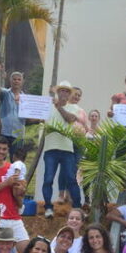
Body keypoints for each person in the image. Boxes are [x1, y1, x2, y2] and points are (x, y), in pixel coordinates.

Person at [41, 80, 85, 211]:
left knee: (71, 179)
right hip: (50, 148)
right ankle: (48, 207)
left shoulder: (74, 108)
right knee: (48, 179)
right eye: (62, 90)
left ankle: (77, 207)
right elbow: (35, 117)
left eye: (67, 91)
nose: (64, 93)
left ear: (70, 94)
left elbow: (70, 119)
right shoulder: (47, 106)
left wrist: (58, 107)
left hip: (67, 149)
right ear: (58, 92)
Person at [0, 69, 27, 157]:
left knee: (16, 159)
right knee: (0, 158)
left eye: (19, 79)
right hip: (3, 131)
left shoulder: (26, 98)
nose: (16, 81)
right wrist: (0, 76)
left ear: (22, 82)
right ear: (10, 81)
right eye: (14, 79)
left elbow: (29, 117)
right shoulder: (5, 93)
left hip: (18, 134)